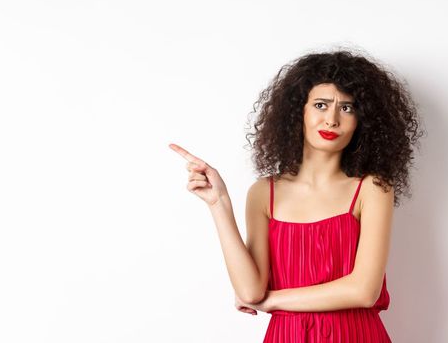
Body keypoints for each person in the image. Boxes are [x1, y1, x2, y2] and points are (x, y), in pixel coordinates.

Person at [169, 49, 424, 342]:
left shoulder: (373, 188)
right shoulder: (264, 193)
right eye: (320, 105)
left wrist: (274, 300)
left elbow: (364, 291)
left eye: (347, 108)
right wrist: (219, 204)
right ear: (297, 111)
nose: (331, 120)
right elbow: (250, 291)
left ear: (362, 121)